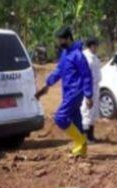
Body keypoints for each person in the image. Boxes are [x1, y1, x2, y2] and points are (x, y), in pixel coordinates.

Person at [36, 26, 93, 158]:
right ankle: (82, 151)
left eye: (61, 40)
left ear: (68, 38)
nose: (59, 42)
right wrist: (48, 83)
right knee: (76, 120)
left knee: (60, 117)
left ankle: (80, 141)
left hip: (75, 92)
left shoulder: (78, 55)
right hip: (67, 92)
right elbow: (59, 71)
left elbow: (86, 76)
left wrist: (89, 95)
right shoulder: (65, 53)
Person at [80, 37, 102, 143]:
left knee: (93, 113)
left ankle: (91, 136)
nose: (97, 48)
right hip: (88, 87)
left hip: (95, 87)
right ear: (92, 45)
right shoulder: (85, 58)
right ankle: (85, 137)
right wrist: (87, 92)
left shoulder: (94, 57)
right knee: (87, 112)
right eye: (96, 45)